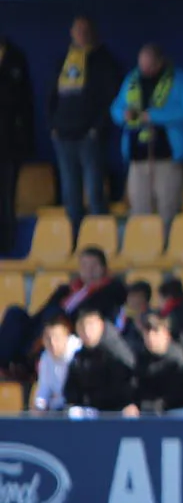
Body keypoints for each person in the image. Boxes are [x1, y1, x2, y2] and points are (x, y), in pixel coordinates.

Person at [0, 246, 125, 377]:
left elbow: (94, 315)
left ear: (102, 268)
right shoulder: (67, 289)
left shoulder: (110, 290)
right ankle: (6, 363)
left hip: (70, 331)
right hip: (45, 326)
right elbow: (41, 313)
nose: (88, 270)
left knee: (55, 315)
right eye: (84, 265)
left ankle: (26, 363)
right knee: (15, 313)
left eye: (93, 265)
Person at [110, 44, 183, 225]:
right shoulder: (132, 78)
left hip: (167, 156)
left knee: (168, 208)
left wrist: (153, 116)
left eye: (149, 66)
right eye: (142, 66)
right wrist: (123, 115)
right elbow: (115, 109)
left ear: (160, 63)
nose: (145, 70)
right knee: (139, 209)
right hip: (137, 156)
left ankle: (166, 248)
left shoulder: (179, 79)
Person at [49, 16, 121, 227]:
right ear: (71, 32)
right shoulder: (64, 59)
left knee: (95, 191)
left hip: (89, 136)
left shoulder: (103, 61)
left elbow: (111, 98)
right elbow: (51, 95)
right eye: (78, 30)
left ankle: (99, 238)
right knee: (70, 192)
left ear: (94, 32)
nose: (82, 34)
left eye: (86, 30)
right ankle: (75, 240)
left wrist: (97, 129)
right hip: (63, 136)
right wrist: (53, 126)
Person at [63, 306, 136, 416]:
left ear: (101, 325)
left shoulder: (116, 352)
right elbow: (71, 390)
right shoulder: (78, 356)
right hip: (88, 412)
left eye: (91, 326)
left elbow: (127, 385)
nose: (87, 332)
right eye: (82, 326)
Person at [0, 35, 35, 254]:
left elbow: (21, 100)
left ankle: (5, 247)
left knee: (5, 199)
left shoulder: (14, 57)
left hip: (7, 145)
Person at [128, 312, 183, 416]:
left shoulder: (177, 361)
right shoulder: (142, 358)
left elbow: (177, 398)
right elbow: (136, 390)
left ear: (166, 333)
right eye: (147, 332)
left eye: (156, 332)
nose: (151, 337)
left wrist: (145, 407)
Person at [31, 316, 81, 413]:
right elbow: (43, 388)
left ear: (66, 336)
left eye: (57, 338)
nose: (53, 343)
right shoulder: (45, 357)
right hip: (57, 410)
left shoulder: (80, 353)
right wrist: (39, 406)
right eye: (48, 339)